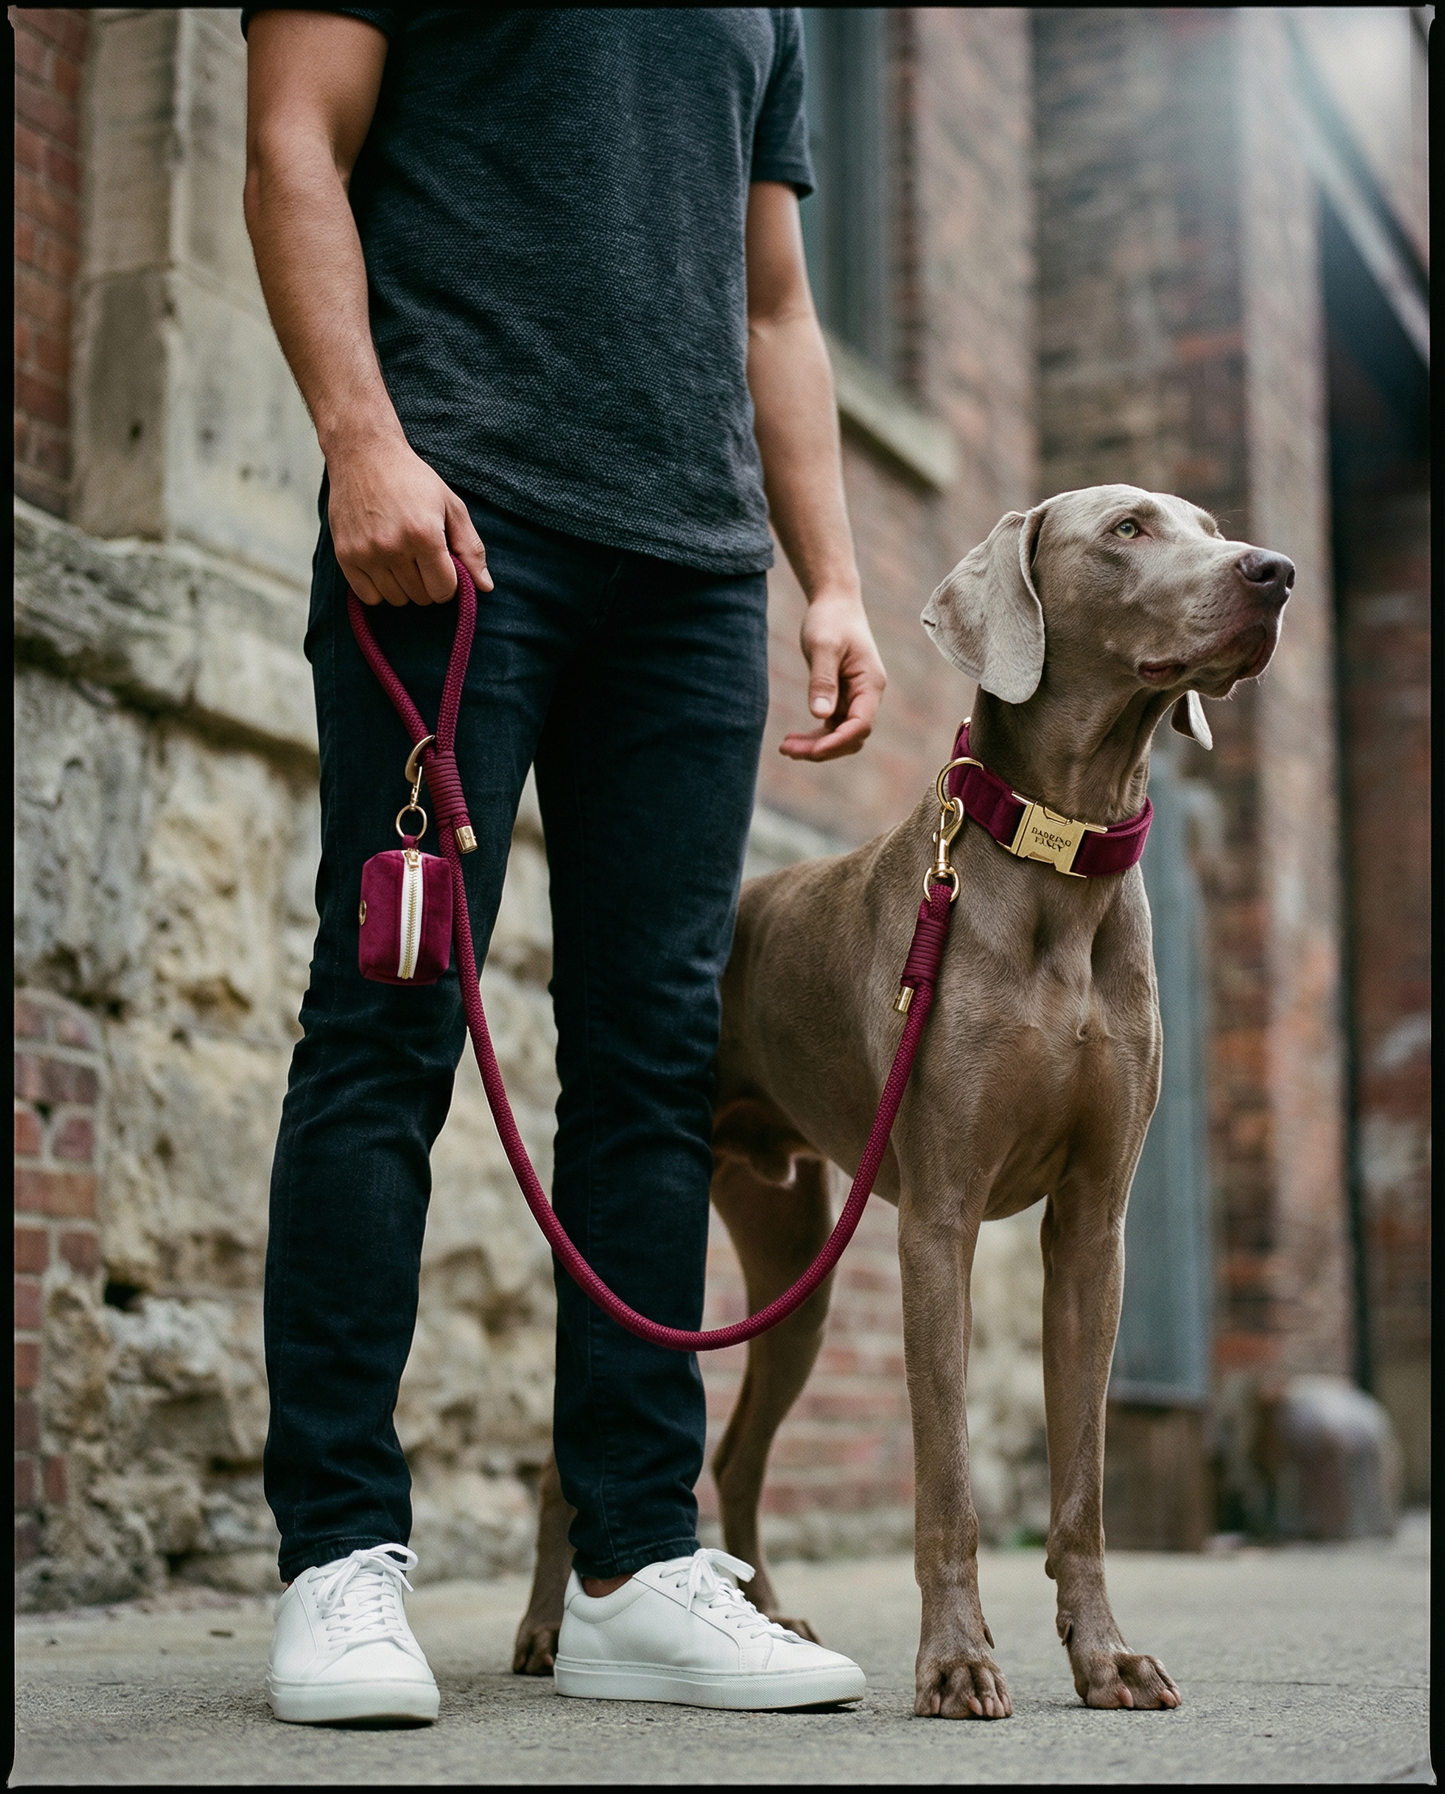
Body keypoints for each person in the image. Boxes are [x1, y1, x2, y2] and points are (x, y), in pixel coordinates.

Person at [243, 6, 886, 1724]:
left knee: (654, 1065)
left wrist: (823, 574)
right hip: (454, 527)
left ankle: (631, 1563)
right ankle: (336, 1556)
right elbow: (296, 134)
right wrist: (360, 441)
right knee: (389, 1014)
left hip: (687, 575)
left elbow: (774, 299)